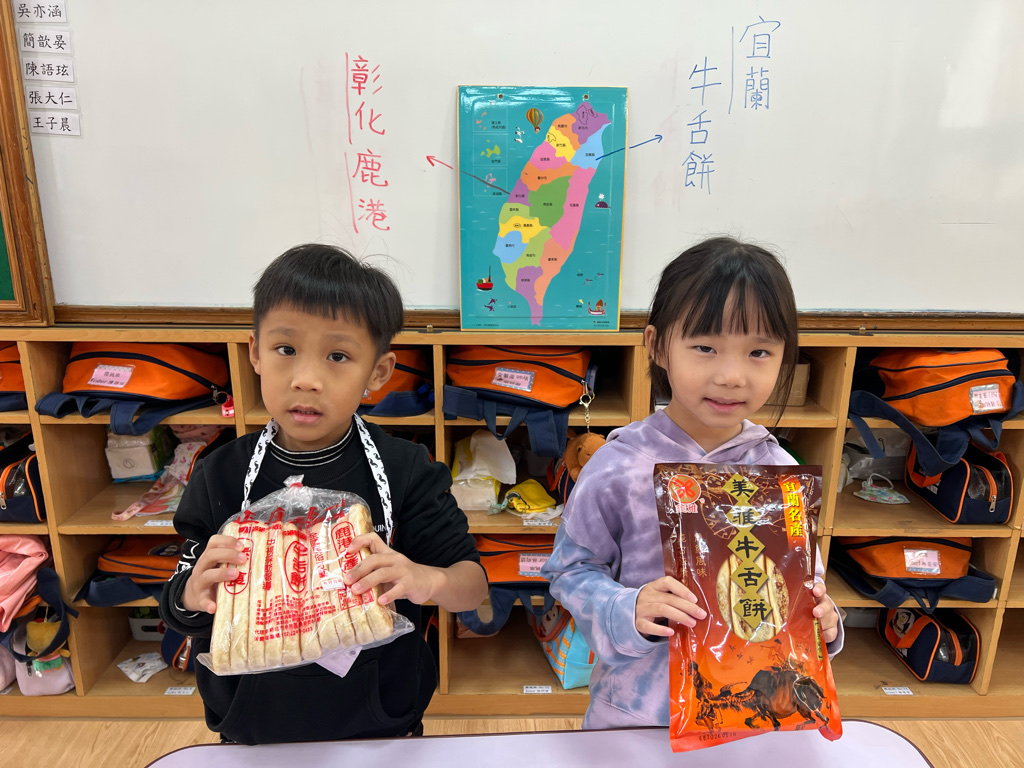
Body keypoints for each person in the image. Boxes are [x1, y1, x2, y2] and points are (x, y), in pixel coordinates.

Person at [160, 243, 488, 744]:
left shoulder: (407, 470)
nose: (307, 379)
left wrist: (425, 580)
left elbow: (473, 585)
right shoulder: (219, 473)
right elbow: (178, 599)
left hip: (381, 724)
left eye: (338, 356)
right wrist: (191, 594)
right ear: (254, 352)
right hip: (252, 728)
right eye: (285, 349)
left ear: (378, 372)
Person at [541, 236, 843, 729]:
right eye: (705, 347)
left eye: (759, 352)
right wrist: (625, 607)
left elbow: (803, 586)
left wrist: (826, 622)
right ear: (657, 345)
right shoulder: (619, 465)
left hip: (751, 718)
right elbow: (569, 572)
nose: (731, 375)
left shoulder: (781, 472)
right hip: (638, 717)